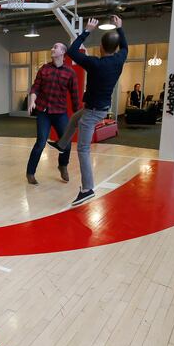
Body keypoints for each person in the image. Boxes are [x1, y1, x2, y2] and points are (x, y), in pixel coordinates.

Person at [48, 15, 128, 206]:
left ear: (101, 47)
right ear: (115, 49)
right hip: (98, 108)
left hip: (93, 112)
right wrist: (120, 29)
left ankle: (87, 189)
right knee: (75, 117)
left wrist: (87, 31)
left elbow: (72, 51)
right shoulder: (119, 58)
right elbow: (125, 47)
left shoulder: (95, 63)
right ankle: (62, 143)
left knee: (83, 149)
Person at [25, 41, 80, 185]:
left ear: (63, 52)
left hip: (60, 113)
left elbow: (74, 96)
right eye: (52, 46)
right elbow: (35, 88)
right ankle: (30, 173)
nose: (52, 48)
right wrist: (32, 101)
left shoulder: (70, 73)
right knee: (40, 143)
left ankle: (63, 165)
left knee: (66, 143)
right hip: (43, 112)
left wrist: (78, 115)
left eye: (55, 47)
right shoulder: (44, 69)